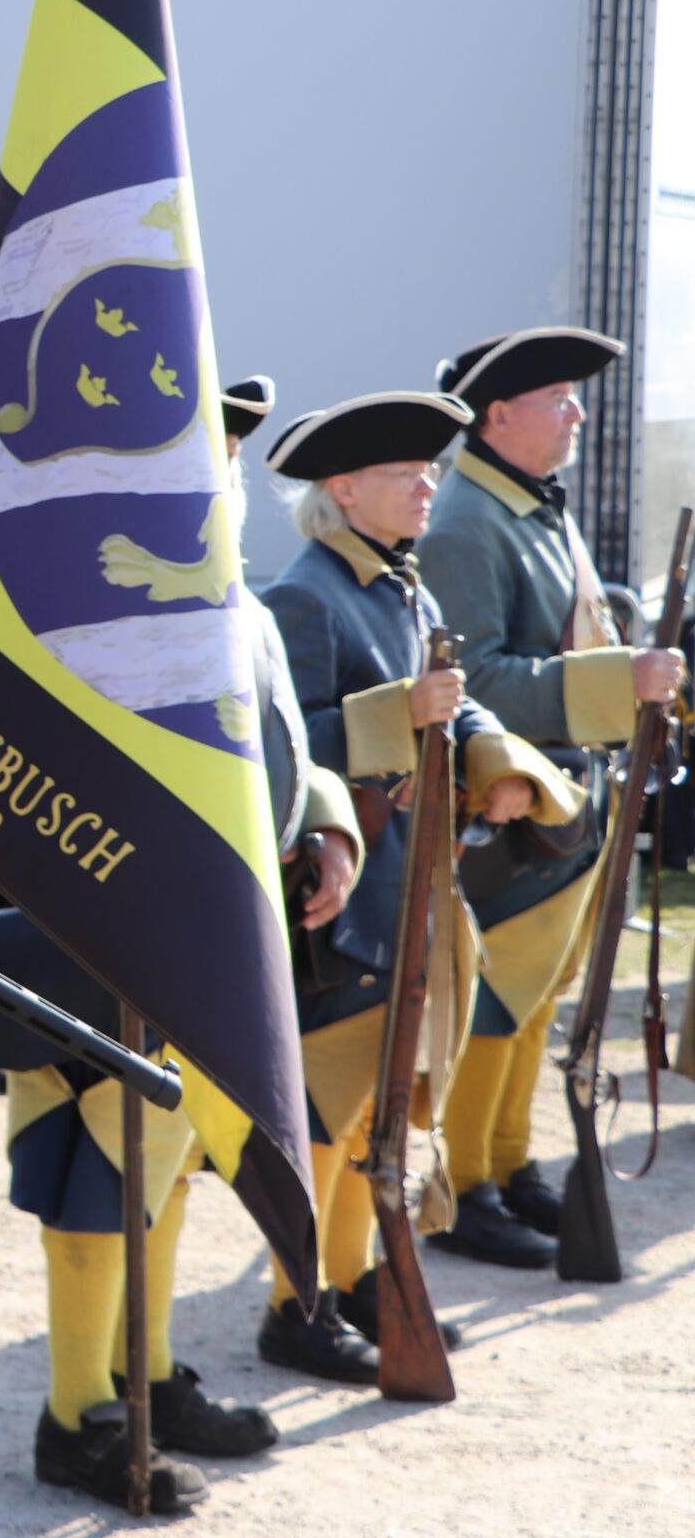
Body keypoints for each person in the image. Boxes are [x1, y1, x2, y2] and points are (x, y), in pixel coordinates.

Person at [0, 375, 355, 1512]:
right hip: (110, 936)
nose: (220, 485)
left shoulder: (237, 604)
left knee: (176, 1161)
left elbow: (274, 750)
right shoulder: (83, 596)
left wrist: (327, 825)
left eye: (229, 464)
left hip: (220, 939)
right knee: (97, 1174)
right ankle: (77, 1418)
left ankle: (141, 1373)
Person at [255, 389, 580, 1374]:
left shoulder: (404, 585)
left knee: (379, 1109)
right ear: (342, 488)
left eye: (430, 470)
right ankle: (294, 1305)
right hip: (347, 896)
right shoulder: (308, 594)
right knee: (328, 1105)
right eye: (405, 473)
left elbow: (457, 705)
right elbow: (285, 746)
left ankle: (353, 1283)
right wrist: (403, 710)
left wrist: (504, 765)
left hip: (413, 884)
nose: (426, 485)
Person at [420, 327, 687, 1267]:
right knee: (494, 996)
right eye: (560, 399)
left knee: (541, 996)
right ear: (499, 414)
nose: (577, 413)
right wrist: (624, 678)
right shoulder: (464, 523)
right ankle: (466, 1181)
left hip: (565, 798)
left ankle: (508, 1158)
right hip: (516, 808)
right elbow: (478, 675)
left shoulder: (529, 508)